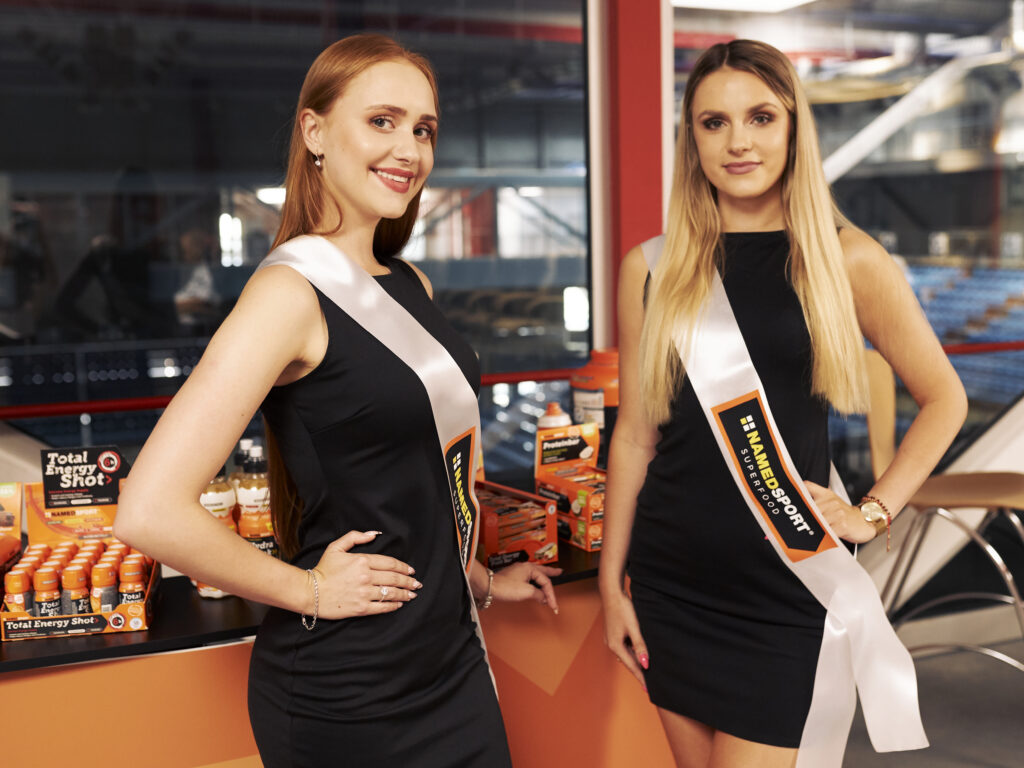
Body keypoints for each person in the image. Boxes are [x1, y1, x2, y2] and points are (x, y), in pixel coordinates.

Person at [115, 34, 560, 767]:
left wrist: (478, 579)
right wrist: (310, 591)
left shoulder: (409, 284)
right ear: (315, 132)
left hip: (450, 662)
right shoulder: (287, 295)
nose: (409, 150)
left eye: (424, 129)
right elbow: (149, 509)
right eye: (383, 121)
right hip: (350, 693)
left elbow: (413, 480)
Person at [599, 39, 966, 768]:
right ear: (692, 139)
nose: (738, 142)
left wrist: (872, 512)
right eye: (714, 123)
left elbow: (944, 399)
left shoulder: (845, 259)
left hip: (786, 587)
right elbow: (637, 435)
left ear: (795, 127)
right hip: (672, 584)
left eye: (761, 117)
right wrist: (612, 584)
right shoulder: (650, 267)